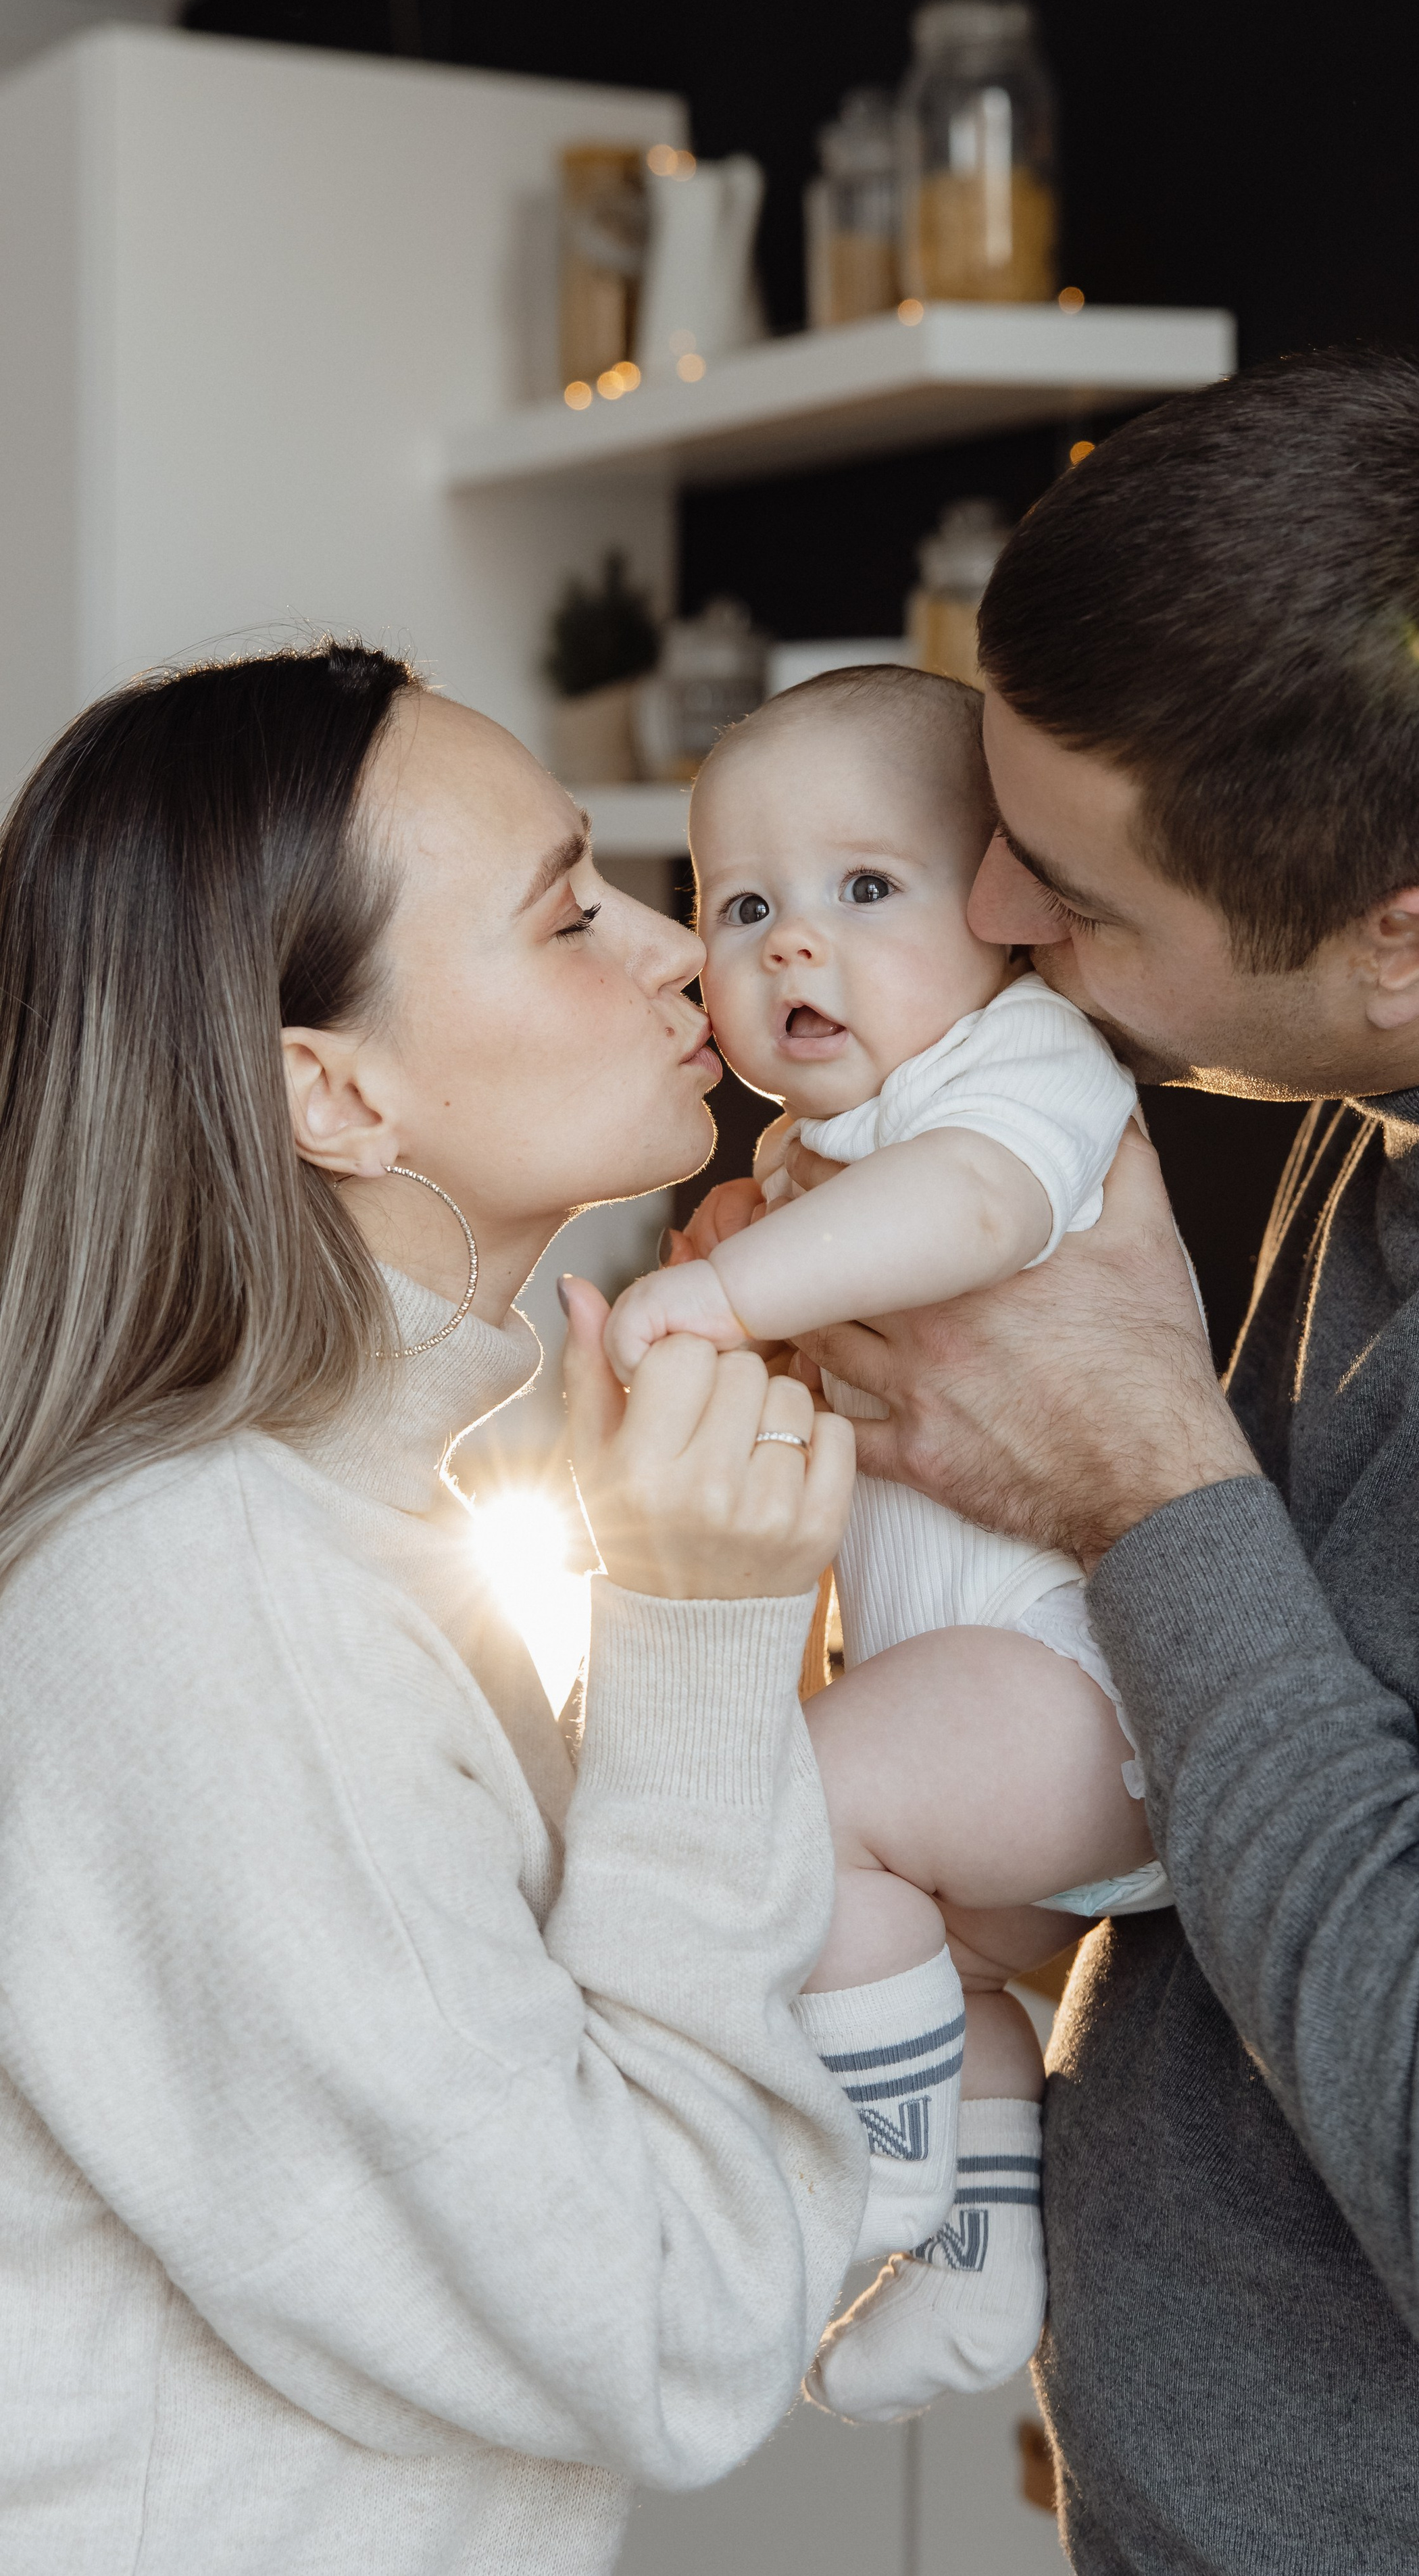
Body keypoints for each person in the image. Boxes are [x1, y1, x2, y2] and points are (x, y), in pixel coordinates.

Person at [737, 351, 1419, 2571]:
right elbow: (1237, 1783)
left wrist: (1150, 1482)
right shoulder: (1394, 1099)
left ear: (1406, 945)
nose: (991, 915)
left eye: (1073, 894)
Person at [0, 642, 863, 2575]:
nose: (676, 953)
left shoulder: (369, 1513)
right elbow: (663, 2324)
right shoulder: (219, 1599)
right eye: (569, 912)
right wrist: (701, 1644)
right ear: (332, 1090)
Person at [608, 664, 1172, 2425]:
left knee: (785, 1804)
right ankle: (973, 2255)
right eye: (744, 906)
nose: (793, 950)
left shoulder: (1027, 1075)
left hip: (1087, 1695)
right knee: (913, 1950)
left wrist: (720, 1288)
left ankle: (877, 2169)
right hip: (979, 1739)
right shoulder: (810, 1147)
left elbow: (970, 1214)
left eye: (867, 889)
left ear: (1002, 918)